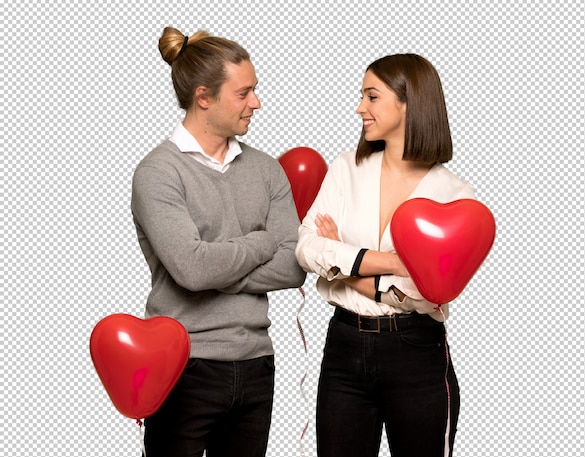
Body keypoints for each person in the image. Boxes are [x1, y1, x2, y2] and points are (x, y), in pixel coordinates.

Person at [131, 26, 306, 457]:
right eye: (244, 93)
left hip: (256, 365)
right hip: (182, 367)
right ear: (204, 97)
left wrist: (213, 269)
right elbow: (191, 270)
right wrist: (262, 243)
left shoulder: (265, 169)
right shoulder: (158, 172)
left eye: (255, 90)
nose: (257, 103)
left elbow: (295, 265)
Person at [295, 54, 477, 457]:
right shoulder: (346, 169)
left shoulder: (456, 197)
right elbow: (306, 247)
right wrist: (395, 262)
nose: (360, 107)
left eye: (372, 96)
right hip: (343, 347)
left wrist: (342, 266)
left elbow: (429, 296)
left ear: (409, 101)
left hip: (417, 354)